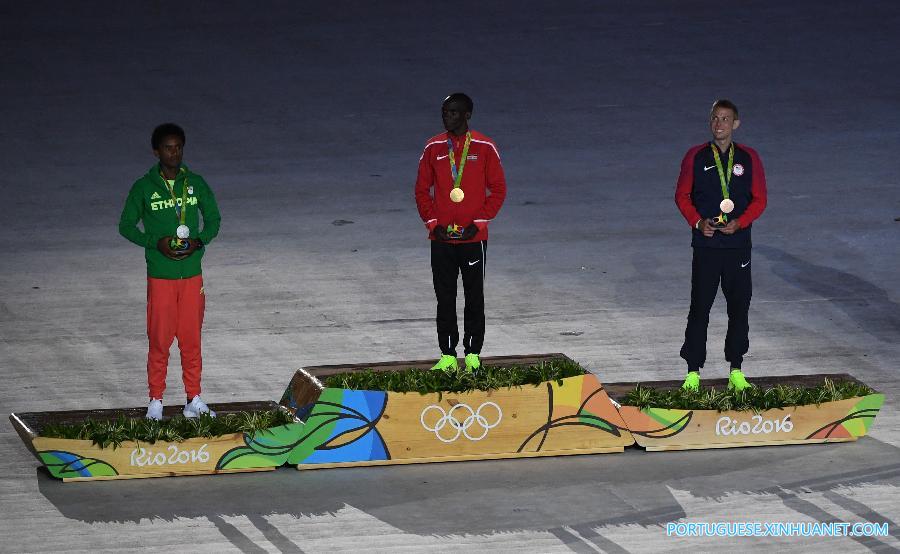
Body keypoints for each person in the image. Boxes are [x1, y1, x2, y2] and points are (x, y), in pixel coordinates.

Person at [119, 123, 221, 419]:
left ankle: (194, 399)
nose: (174, 152)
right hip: (161, 277)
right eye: (167, 147)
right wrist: (155, 242)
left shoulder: (196, 183)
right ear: (156, 151)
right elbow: (125, 226)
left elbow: (214, 219)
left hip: (191, 277)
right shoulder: (143, 187)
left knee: (191, 339)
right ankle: (156, 401)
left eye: (178, 147)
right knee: (160, 339)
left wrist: (199, 240)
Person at [674, 100, 767, 392]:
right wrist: (698, 222)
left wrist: (741, 222)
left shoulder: (749, 158)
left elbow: (760, 199)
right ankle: (692, 372)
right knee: (699, 308)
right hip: (707, 245)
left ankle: (736, 370)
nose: (719, 124)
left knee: (739, 307)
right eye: (715, 118)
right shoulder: (695, 156)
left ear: (735, 124)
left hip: (738, 246)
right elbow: (682, 195)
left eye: (725, 119)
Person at [415, 93, 507, 371]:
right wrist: (433, 224)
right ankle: (446, 355)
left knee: (473, 295)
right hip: (441, 238)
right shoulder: (433, 147)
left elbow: (499, 190)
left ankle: (472, 354)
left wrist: (478, 223)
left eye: (454, 112)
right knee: (444, 297)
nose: (448, 116)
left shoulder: (485, 146)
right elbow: (421, 190)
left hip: (473, 239)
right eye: (445, 111)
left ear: (468, 115)